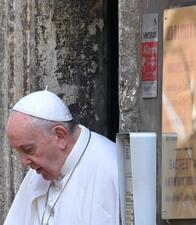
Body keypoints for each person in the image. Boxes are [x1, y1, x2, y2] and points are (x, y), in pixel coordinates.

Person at [4, 90, 119, 225]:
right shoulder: (40, 169)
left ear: (60, 136)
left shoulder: (113, 168)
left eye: (28, 149)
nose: (24, 163)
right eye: (18, 151)